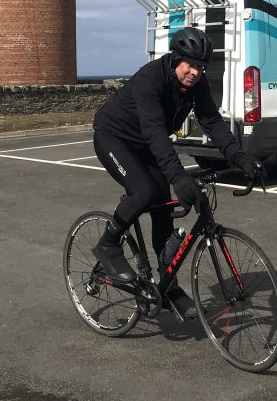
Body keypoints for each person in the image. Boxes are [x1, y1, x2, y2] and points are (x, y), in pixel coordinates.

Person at [91, 26, 264, 320]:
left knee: (161, 208)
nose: (195, 72)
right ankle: (107, 244)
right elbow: (157, 134)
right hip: (114, 138)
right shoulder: (150, 80)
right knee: (144, 191)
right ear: (175, 59)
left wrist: (240, 157)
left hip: (146, 145)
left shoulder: (196, 86)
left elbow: (212, 123)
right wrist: (179, 177)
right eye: (190, 64)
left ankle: (167, 286)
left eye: (201, 66)